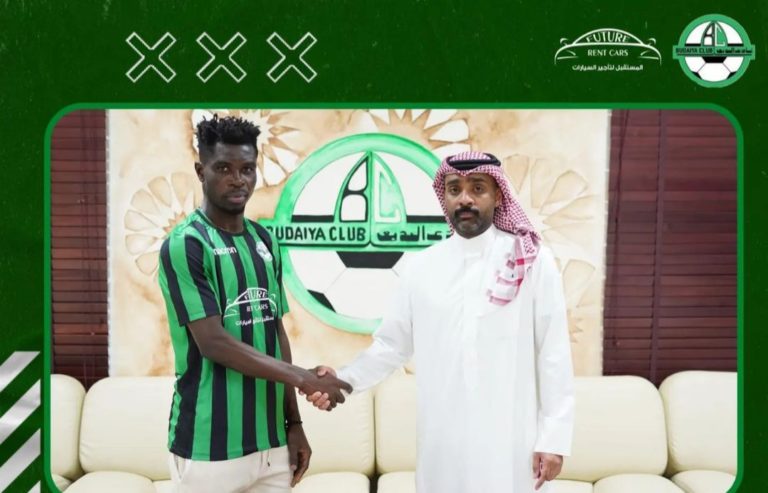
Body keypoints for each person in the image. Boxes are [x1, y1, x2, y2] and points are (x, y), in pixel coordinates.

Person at [307, 151, 575, 492]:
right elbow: (391, 346)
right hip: (444, 443)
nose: (465, 199)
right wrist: (342, 380)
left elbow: (553, 354)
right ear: (444, 197)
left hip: (512, 440)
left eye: (477, 188)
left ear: (498, 196)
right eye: (454, 189)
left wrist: (553, 438)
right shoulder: (421, 267)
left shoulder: (533, 262)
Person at [158, 114, 352, 493]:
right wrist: (304, 378)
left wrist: (294, 424)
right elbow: (214, 343)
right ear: (200, 171)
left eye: (247, 169)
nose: (238, 179)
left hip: (272, 447)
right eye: (223, 168)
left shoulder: (265, 241)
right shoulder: (187, 244)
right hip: (209, 448)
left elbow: (275, 332)